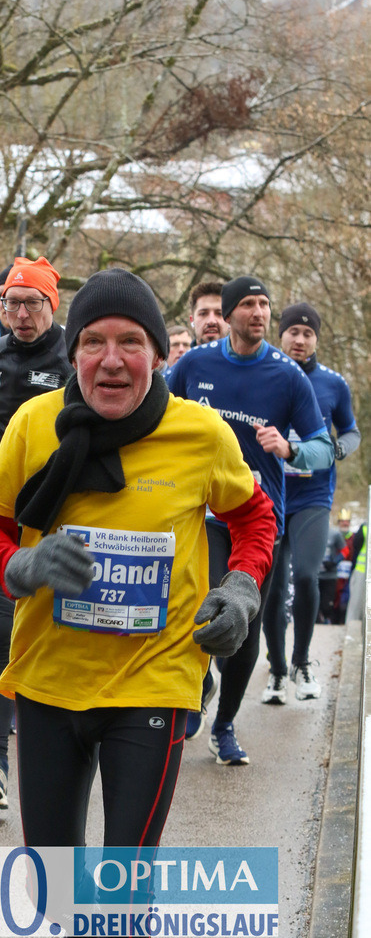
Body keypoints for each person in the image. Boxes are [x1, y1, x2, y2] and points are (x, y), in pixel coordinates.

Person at [0, 269, 276, 938]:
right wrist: (20, 563)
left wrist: (240, 589)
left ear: (159, 355)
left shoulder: (201, 435)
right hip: (48, 680)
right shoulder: (32, 425)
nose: (111, 359)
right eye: (93, 342)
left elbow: (254, 518)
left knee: (121, 908)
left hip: (153, 681)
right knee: (60, 900)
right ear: (71, 354)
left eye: (130, 342)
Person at [168, 275, 334, 763]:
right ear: (231, 314)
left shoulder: (287, 375)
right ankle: (197, 688)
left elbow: (323, 448)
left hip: (260, 523)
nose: (259, 313)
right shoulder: (195, 364)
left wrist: (289, 448)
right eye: (249, 305)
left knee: (244, 635)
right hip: (204, 516)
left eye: (265, 305)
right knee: (198, 606)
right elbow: (160, 416)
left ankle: (225, 726)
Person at [0, 256, 73, 809]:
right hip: (2, 518)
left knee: (61, 639)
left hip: (63, 520)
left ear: (53, 305)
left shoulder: (76, 355)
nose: (21, 314)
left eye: (32, 303)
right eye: (11, 302)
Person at [261, 303, 360, 703]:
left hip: (313, 497)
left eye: (307, 333)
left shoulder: (334, 384)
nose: (300, 340)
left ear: (316, 338)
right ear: (280, 334)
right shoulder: (265, 373)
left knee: (305, 575)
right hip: (270, 492)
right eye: (293, 332)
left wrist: (336, 449)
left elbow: (351, 431)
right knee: (270, 586)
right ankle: (277, 671)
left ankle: (302, 663)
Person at [188, 280, 229, 345]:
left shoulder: (245, 354)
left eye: (219, 313)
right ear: (192, 320)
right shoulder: (184, 355)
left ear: (229, 319)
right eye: (203, 314)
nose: (211, 321)